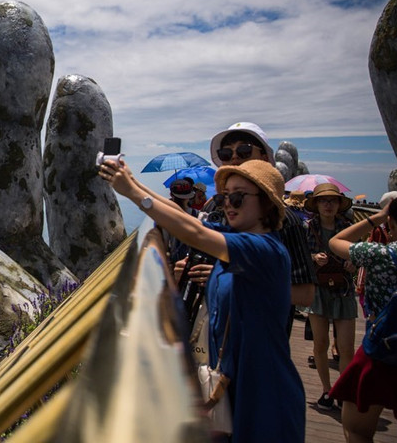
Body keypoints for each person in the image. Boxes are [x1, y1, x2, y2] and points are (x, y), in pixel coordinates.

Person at [99, 157, 306, 442]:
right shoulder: (236, 239)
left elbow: (193, 233)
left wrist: (133, 193)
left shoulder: (264, 250)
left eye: (238, 196)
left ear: (268, 203)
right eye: (223, 197)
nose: (228, 204)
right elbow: (184, 218)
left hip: (263, 391)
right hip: (231, 383)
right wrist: (131, 181)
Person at [205, 122, 317, 320]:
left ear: (265, 158)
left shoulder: (283, 219)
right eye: (225, 153)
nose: (234, 158)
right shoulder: (214, 208)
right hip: (211, 326)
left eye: (244, 150)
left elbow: (304, 293)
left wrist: (226, 281)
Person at [328, 198, 397, 442]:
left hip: (381, 352)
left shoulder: (381, 254)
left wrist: (377, 218)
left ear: (392, 221)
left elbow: (335, 242)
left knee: (357, 431)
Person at [304, 183, 358, 410]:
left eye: (332, 200)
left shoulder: (348, 226)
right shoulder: (307, 227)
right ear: (316, 204)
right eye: (323, 200)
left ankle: (343, 391)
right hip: (318, 290)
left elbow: (360, 254)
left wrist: (354, 262)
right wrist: (314, 257)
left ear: (339, 204)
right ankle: (327, 390)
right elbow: (300, 256)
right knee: (321, 344)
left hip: (343, 291)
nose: (328, 205)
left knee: (346, 348)